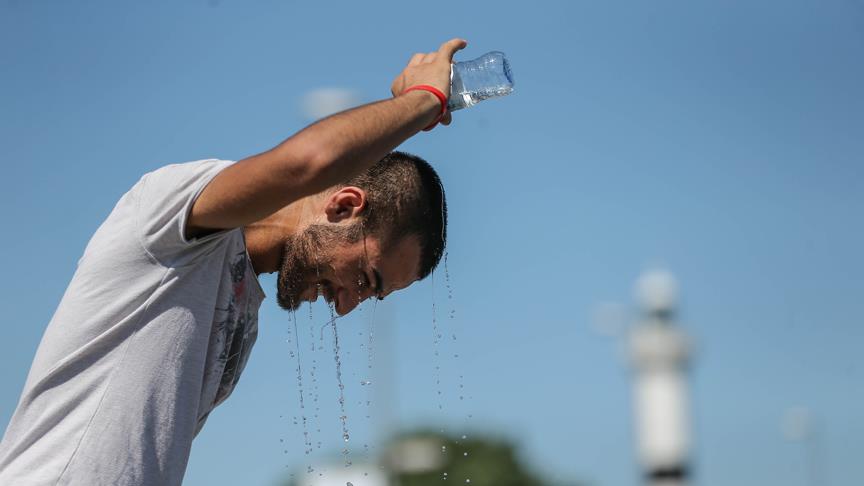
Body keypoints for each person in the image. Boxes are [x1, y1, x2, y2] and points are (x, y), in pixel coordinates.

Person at [0, 38, 467, 486]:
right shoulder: (175, 219)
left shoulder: (244, 309)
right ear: (344, 207)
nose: (346, 306)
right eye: (365, 278)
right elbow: (308, 162)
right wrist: (424, 100)